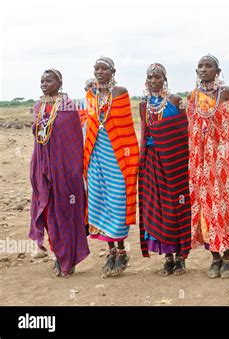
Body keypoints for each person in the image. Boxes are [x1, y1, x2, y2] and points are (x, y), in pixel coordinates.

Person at [187, 54, 229, 279]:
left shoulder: (226, 93)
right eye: (200, 66)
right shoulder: (193, 96)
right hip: (201, 163)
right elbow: (191, 129)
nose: (203, 69)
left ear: (217, 71)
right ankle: (214, 257)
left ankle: (228, 256)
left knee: (226, 205)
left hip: (224, 163)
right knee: (206, 208)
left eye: (208, 66)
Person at [29, 69, 89, 277]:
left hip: (65, 172)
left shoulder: (68, 107)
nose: (44, 83)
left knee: (66, 213)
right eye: (42, 80)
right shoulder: (39, 106)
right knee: (48, 214)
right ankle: (58, 255)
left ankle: (70, 258)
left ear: (60, 82)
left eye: (49, 80)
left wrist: (72, 171)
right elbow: (39, 138)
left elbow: (73, 143)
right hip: (44, 170)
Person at [84, 57, 139, 277]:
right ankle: (111, 251)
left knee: (117, 202)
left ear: (112, 71)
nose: (99, 72)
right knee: (99, 201)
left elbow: (123, 125)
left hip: (118, 157)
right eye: (96, 68)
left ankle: (122, 251)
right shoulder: (91, 95)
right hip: (96, 156)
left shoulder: (120, 93)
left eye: (103, 68)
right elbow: (89, 124)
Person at [138, 63, 191, 276]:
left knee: (175, 205)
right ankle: (167, 256)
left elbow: (183, 133)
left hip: (174, 162)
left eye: (157, 77)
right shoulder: (144, 104)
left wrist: (165, 143)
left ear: (164, 79)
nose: (153, 80)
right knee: (155, 206)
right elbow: (144, 133)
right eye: (149, 77)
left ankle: (180, 256)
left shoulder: (176, 101)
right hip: (152, 161)